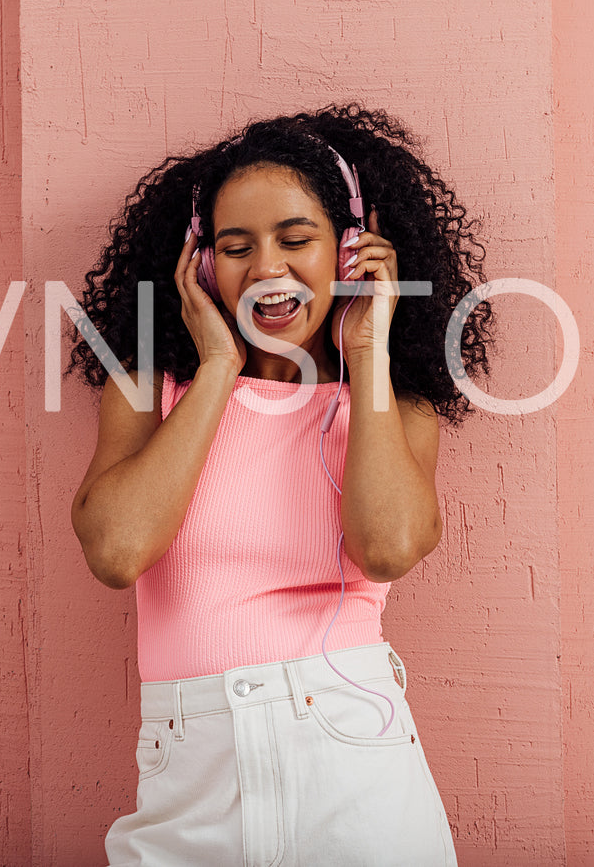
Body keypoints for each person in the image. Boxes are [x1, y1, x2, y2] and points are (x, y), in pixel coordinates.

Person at [68, 104, 491, 866]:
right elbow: (116, 551)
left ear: (349, 251)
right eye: (235, 248)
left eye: (296, 240)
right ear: (200, 265)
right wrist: (220, 369)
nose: (266, 268)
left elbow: (388, 547)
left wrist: (366, 350)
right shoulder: (149, 389)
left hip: (352, 758)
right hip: (190, 775)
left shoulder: (393, 406)